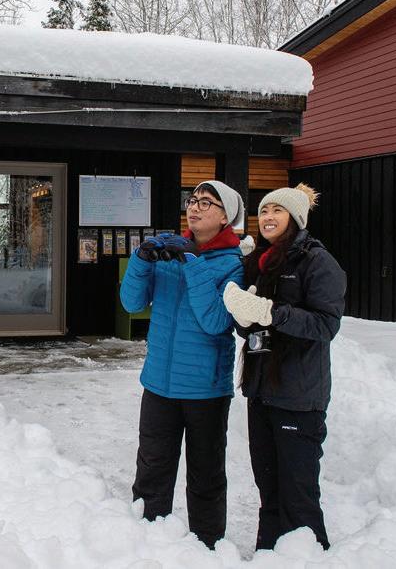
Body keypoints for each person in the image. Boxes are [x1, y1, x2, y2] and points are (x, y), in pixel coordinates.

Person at [120, 180, 247, 549]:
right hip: (159, 383)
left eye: (207, 203)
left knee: (206, 475)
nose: (194, 207)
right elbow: (131, 303)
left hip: (205, 389)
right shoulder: (169, 255)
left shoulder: (233, 265)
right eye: (193, 200)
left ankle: (207, 546)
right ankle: (147, 540)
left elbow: (216, 322)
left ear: (225, 217)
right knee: (151, 469)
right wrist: (141, 259)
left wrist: (193, 263)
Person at [222, 183, 346, 552]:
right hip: (261, 390)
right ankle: (269, 552)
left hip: (298, 395)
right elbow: (252, 327)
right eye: (263, 210)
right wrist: (244, 317)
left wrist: (272, 312)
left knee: (298, 491)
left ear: (296, 218)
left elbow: (326, 325)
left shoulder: (317, 261)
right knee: (269, 486)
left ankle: (308, 553)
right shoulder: (260, 262)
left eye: (277, 210)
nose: (268, 217)